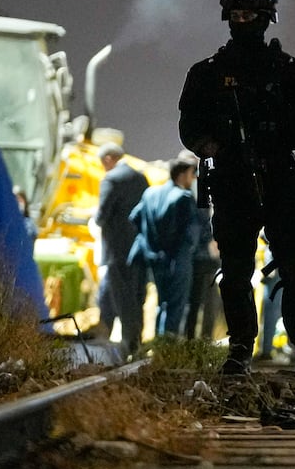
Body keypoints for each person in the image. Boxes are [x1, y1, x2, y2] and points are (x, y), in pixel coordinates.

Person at [178, 0, 295, 376]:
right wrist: (210, 145)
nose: (241, 22)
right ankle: (240, 348)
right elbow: (189, 126)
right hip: (231, 180)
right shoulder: (207, 74)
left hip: (281, 178)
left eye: (249, 15)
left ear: (266, 19)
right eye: (236, 16)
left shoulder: (293, 72)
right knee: (234, 272)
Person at [129, 156, 200, 340]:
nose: (193, 179)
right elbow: (191, 232)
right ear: (183, 175)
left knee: (162, 303)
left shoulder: (150, 193)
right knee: (176, 304)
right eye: (192, 174)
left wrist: (151, 241)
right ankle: (167, 346)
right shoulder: (184, 197)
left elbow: (135, 217)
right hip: (178, 258)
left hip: (154, 257)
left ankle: (158, 342)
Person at [95, 142, 150, 350]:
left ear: (108, 159)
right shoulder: (141, 177)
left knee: (122, 296)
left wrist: (95, 220)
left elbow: (102, 216)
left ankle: (129, 342)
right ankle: (116, 335)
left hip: (116, 250)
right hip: (137, 248)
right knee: (133, 295)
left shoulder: (111, 179)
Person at [182, 152, 223, 341]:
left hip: (197, 255)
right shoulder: (200, 187)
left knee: (195, 300)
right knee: (206, 300)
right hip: (203, 255)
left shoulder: (189, 189)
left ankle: (192, 339)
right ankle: (202, 339)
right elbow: (204, 219)